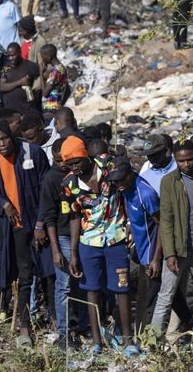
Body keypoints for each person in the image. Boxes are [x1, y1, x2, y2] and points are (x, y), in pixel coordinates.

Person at [62, 136, 135, 355]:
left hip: (116, 238)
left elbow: (128, 184)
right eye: (69, 164)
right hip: (89, 242)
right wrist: (73, 253)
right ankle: (97, 342)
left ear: (86, 156)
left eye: (77, 162)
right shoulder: (69, 184)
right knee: (91, 289)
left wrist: (131, 222)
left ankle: (128, 340)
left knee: (122, 288)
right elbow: (74, 217)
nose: (74, 167)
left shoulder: (107, 165)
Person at [0, 119, 50, 347]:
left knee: (49, 273)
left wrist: (41, 223)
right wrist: (5, 204)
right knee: (24, 276)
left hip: (38, 225)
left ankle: (58, 321)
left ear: (11, 136)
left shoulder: (33, 152)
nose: (2, 144)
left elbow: (46, 191)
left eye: (4, 138)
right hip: (16, 227)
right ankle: (24, 327)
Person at [151, 139, 193, 342]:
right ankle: (151, 340)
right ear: (175, 160)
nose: (186, 164)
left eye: (189, 159)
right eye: (181, 161)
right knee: (165, 296)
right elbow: (167, 220)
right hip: (178, 250)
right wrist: (169, 253)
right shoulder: (169, 182)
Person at [108, 156, 164, 336]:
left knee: (150, 300)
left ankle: (152, 340)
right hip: (140, 250)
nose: (119, 184)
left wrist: (156, 258)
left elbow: (162, 225)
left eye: (121, 179)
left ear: (130, 174)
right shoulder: (124, 189)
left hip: (151, 253)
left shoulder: (145, 193)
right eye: (115, 181)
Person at [42, 138, 86, 349]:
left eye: (66, 161)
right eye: (59, 160)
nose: (63, 165)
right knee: (65, 285)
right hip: (63, 236)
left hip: (84, 236)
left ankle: (82, 326)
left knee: (84, 283)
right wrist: (55, 249)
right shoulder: (52, 179)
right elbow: (49, 216)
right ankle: (64, 332)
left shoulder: (79, 175)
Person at [0, 42, 40, 115]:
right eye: (8, 56)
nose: (10, 58)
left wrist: (36, 92)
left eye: (13, 55)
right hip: (10, 112)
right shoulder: (6, 68)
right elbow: (2, 87)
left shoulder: (30, 66)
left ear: (20, 53)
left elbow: (42, 77)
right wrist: (20, 82)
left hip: (25, 110)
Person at [39, 44, 69, 117]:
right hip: (58, 104)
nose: (42, 59)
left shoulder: (54, 73)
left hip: (51, 107)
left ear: (49, 57)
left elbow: (45, 93)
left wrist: (40, 72)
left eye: (42, 56)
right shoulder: (61, 68)